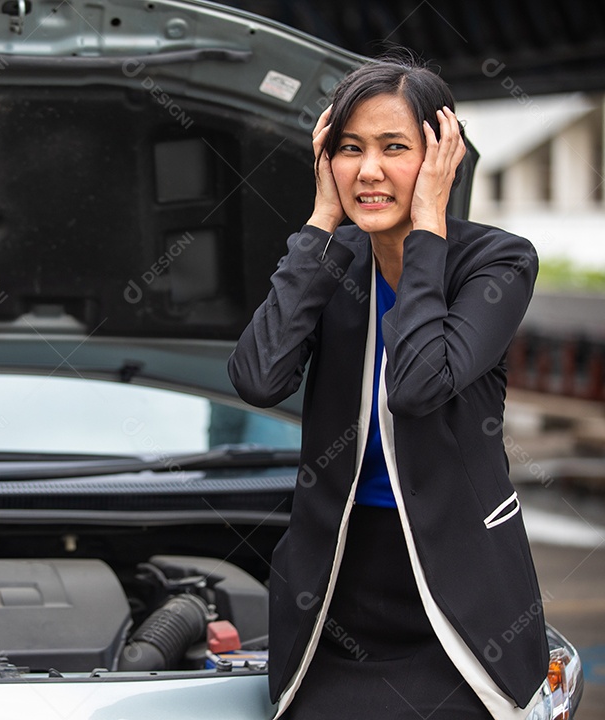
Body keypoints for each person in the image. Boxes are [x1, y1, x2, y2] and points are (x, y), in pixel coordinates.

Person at [227, 57, 549, 720]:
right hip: (334, 605)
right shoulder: (333, 260)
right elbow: (258, 378)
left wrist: (427, 231)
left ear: (439, 156)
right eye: (350, 149)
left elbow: (417, 384)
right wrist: (320, 223)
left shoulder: (497, 260)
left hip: (461, 605)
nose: (368, 171)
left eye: (394, 148)